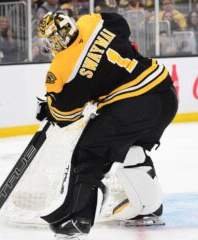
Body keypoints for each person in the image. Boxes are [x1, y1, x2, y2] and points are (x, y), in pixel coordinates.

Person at [37, 11, 178, 239]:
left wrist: (49, 106)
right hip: (165, 93)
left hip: (133, 105)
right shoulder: (94, 22)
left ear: (53, 41)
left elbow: (64, 115)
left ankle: (78, 217)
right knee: (133, 149)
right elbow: (121, 24)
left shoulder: (61, 67)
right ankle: (149, 206)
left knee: (88, 152)